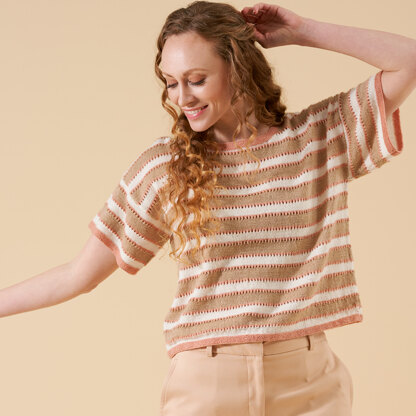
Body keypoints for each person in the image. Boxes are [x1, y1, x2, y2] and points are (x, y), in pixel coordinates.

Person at [1, 1, 414, 415]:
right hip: (207, 384)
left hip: (310, 383)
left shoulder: (320, 136)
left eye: (196, 80)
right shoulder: (165, 167)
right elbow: (77, 275)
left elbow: (409, 59)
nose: (182, 97)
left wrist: (304, 31)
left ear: (238, 69)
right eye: (170, 83)